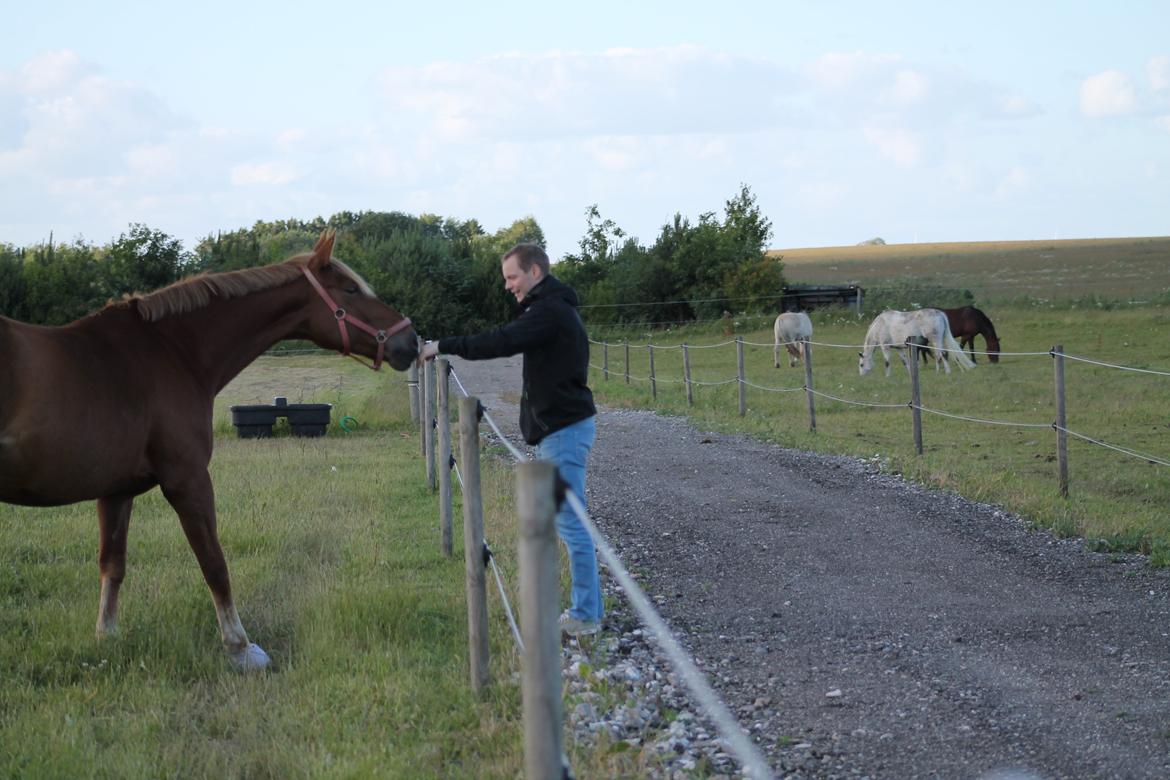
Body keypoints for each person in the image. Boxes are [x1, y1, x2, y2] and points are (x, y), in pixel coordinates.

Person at [418, 243, 602, 636]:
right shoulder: (549, 308)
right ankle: (587, 607)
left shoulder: (549, 312)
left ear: (535, 272)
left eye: (512, 277)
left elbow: (499, 341)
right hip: (561, 429)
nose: (507, 286)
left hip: (564, 431)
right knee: (567, 520)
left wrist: (442, 345)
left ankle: (587, 614)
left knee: (571, 523)